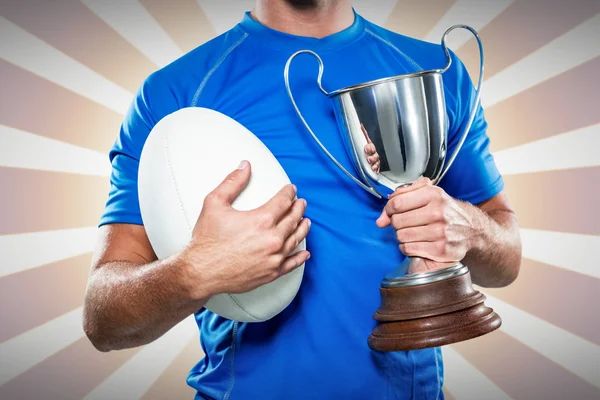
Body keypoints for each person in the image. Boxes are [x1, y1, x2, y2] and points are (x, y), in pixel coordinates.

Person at [83, 0, 522, 398]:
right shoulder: (175, 93)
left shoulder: (433, 71)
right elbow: (104, 320)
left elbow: (506, 259)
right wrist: (194, 271)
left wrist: (469, 228)